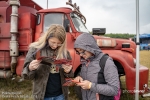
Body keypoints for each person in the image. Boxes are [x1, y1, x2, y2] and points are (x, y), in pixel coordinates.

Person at [22, 24, 74, 100]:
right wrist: (30, 68)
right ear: (47, 38)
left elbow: (70, 76)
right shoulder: (35, 49)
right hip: (42, 95)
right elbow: (26, 76)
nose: (55, 45)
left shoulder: (65, 53)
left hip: (61, 95)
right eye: (53, 42)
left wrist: (68, 71)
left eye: (59, 43)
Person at [74, 33, 120, 100]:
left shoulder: (107, 62)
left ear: (90, 47)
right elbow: (89, 77)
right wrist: (80, 78)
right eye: (78, 52)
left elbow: (114, 90)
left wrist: (90, 86)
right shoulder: (85, 61)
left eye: (82, 51)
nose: (81, 55)